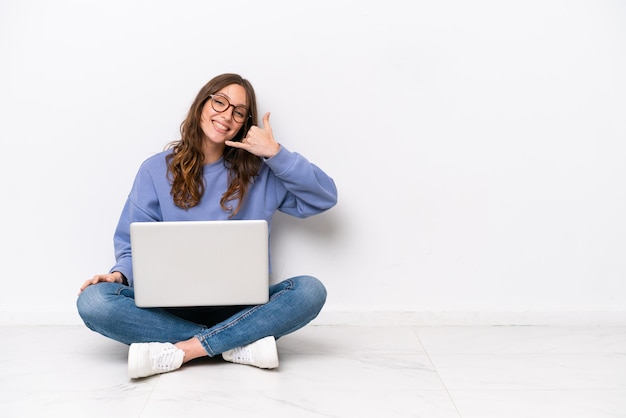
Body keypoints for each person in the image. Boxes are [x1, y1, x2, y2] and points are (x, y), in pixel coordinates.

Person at [76, 73, 338, 379]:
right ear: (202, 104)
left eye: (238, 112)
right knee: (93, 301)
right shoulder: (155, 170)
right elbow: (134, 243)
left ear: (245, 122)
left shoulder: (260, 173)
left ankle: (185, 349)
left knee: (310, 291)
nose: (227, 115)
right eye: (220, 102)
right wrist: (119, 274)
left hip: (239, 305)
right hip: (167, 307)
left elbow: (324, 198)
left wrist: (275, 154)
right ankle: (237, 342)